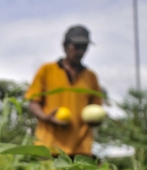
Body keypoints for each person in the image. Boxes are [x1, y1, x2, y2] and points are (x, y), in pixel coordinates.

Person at [25, 25, 103, 158]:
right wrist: (46, 117)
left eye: (84, 47)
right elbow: (33, 102)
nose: (80, 51)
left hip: (81, 148)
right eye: (76, 46)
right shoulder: (47, 70)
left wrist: (96, 120)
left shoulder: (91, 77)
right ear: (65, 46)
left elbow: (96, 107)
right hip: (49, 146)